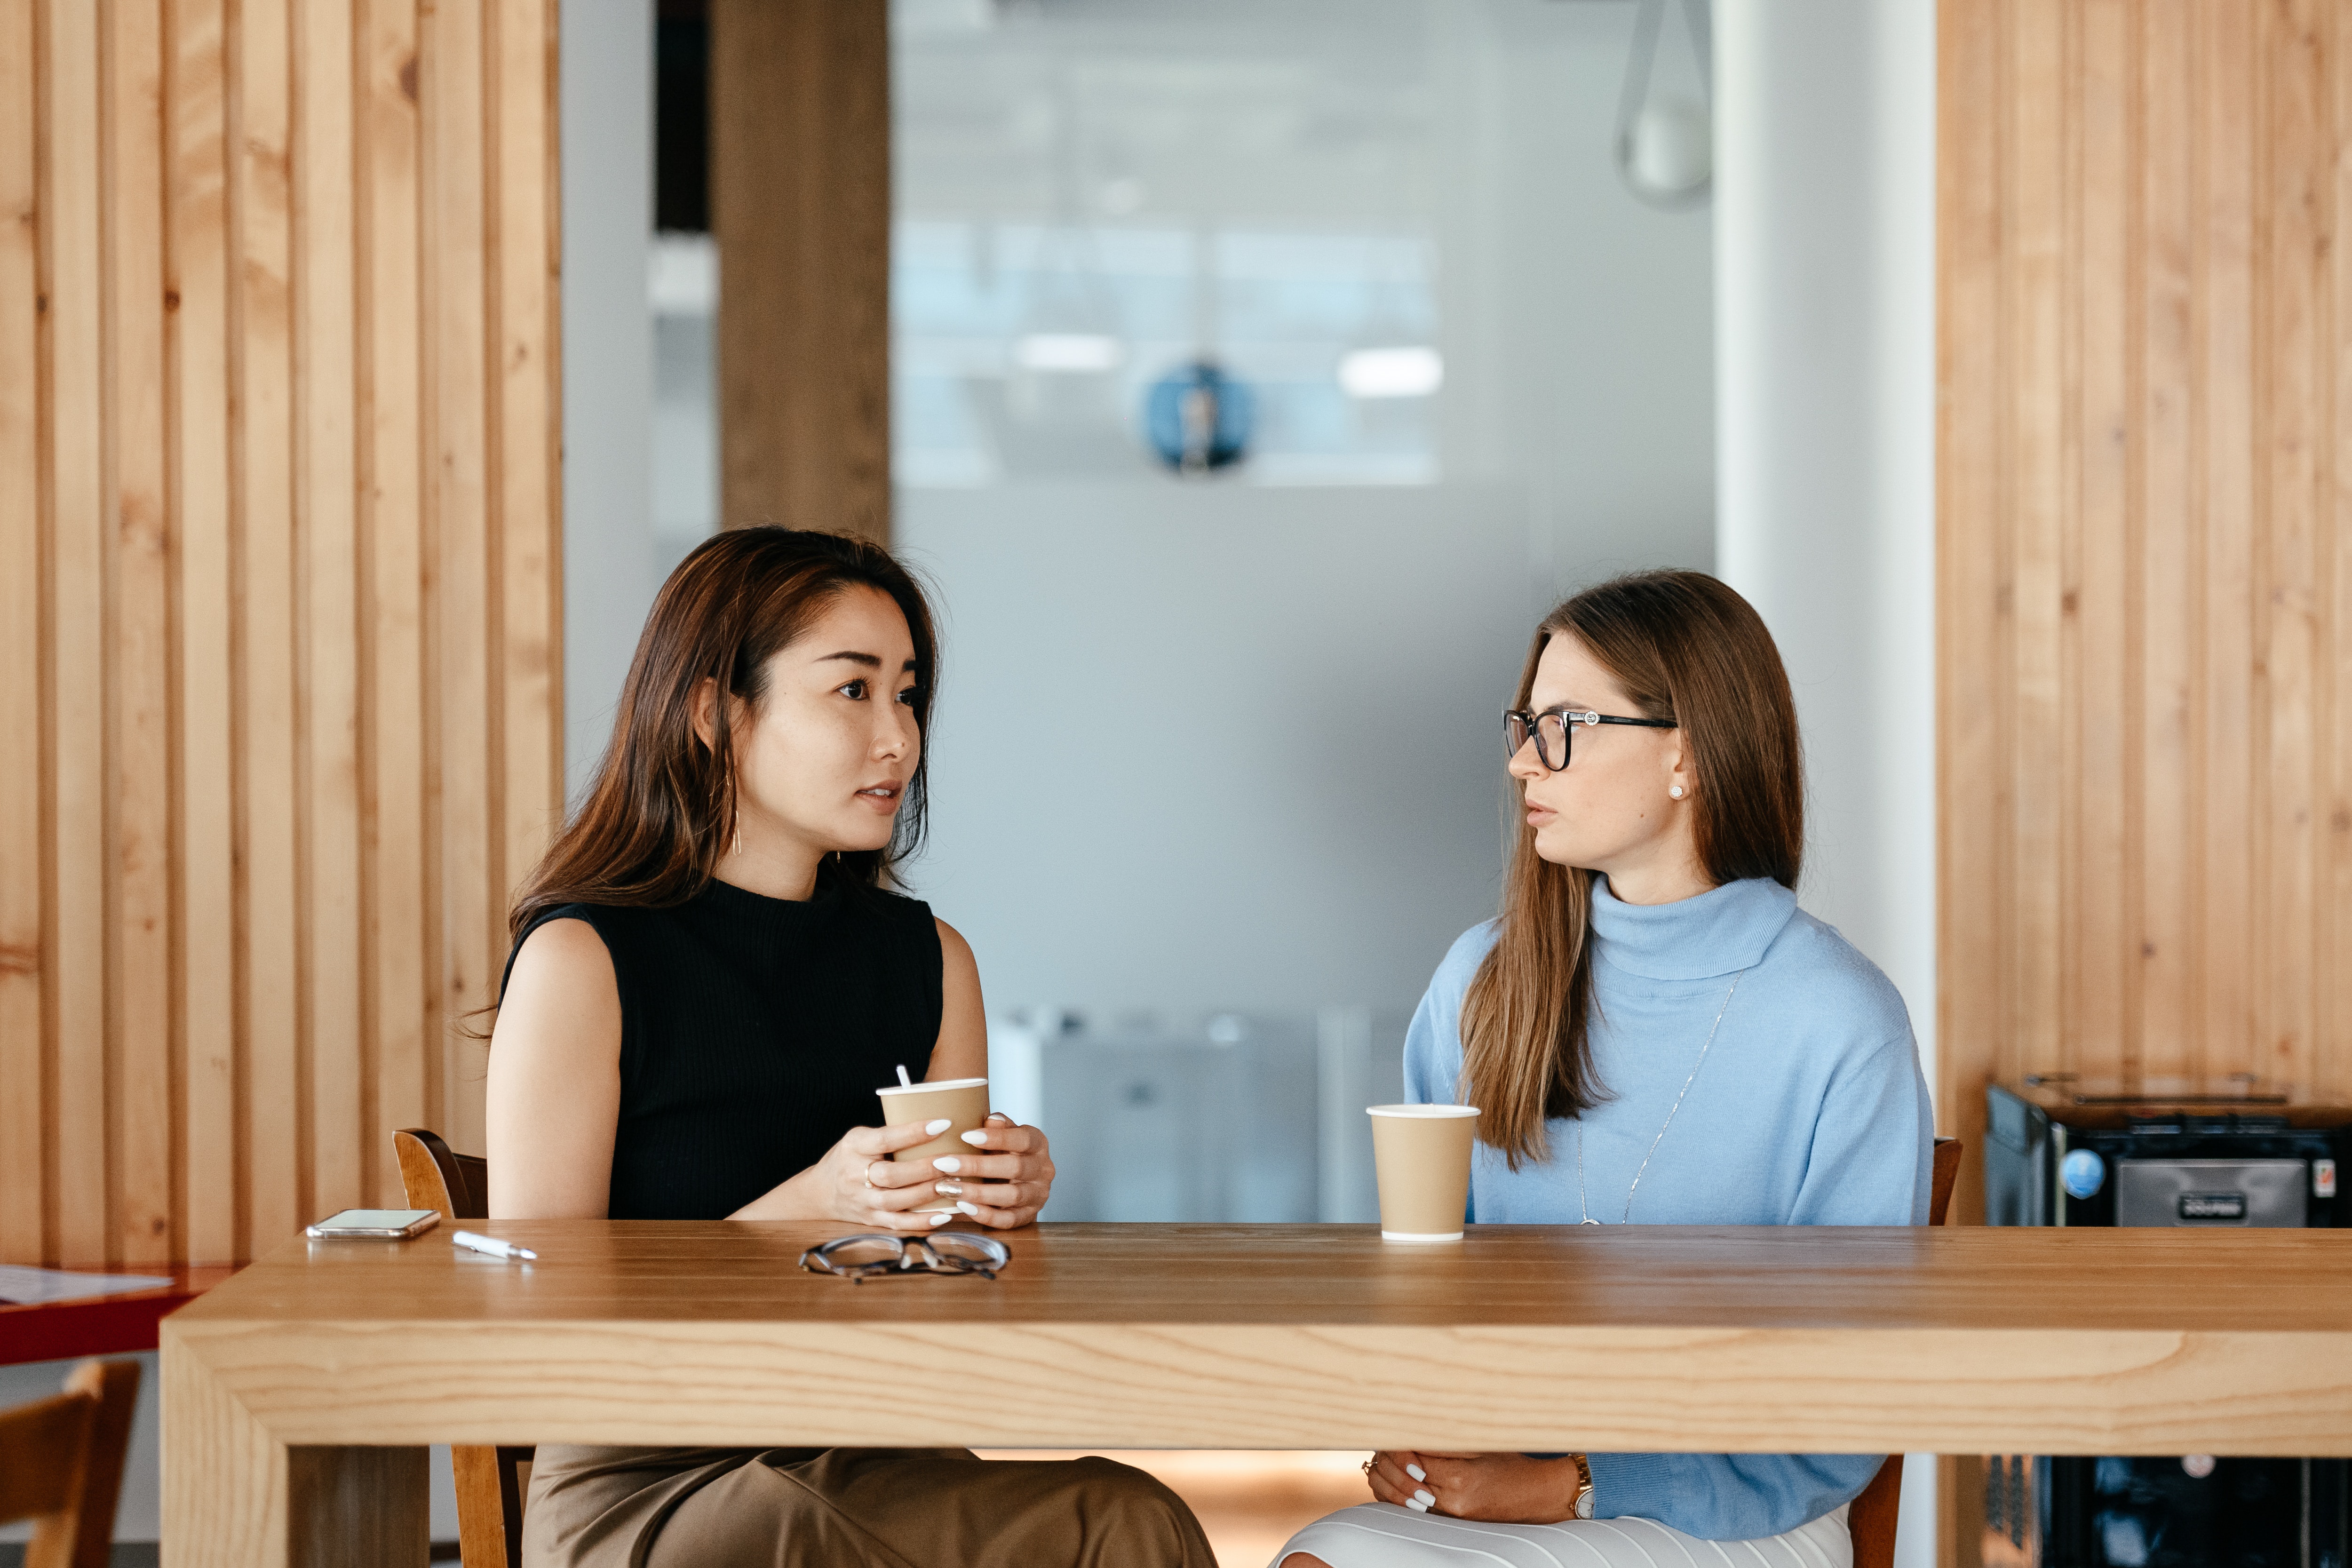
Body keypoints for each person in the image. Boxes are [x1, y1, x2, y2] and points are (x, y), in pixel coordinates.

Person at [486, 527, 1215, 1568]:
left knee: (1132, 1512)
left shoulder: (930, 960)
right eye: (852, 691)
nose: (899, 738)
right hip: (649, 1480)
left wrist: (997, 1206)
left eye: (908, 694)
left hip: (878, 1446)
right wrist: (812, 1204)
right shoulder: (585, 958)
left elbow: (956, 1291)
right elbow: (543, 1317)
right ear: (711, 714)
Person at [1276, 570, 1931, 1568]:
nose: (1521, 764)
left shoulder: (1839, 1018)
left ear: (1688, 753)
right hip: (1510, 1483)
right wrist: (1419, 1424)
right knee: (1323, 1554)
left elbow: (1849, 1396)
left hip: (1746, 1514)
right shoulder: (1482, 980)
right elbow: (1423, 1280)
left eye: (1567, 724)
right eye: (1523, 724)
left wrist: (1576, 1481)